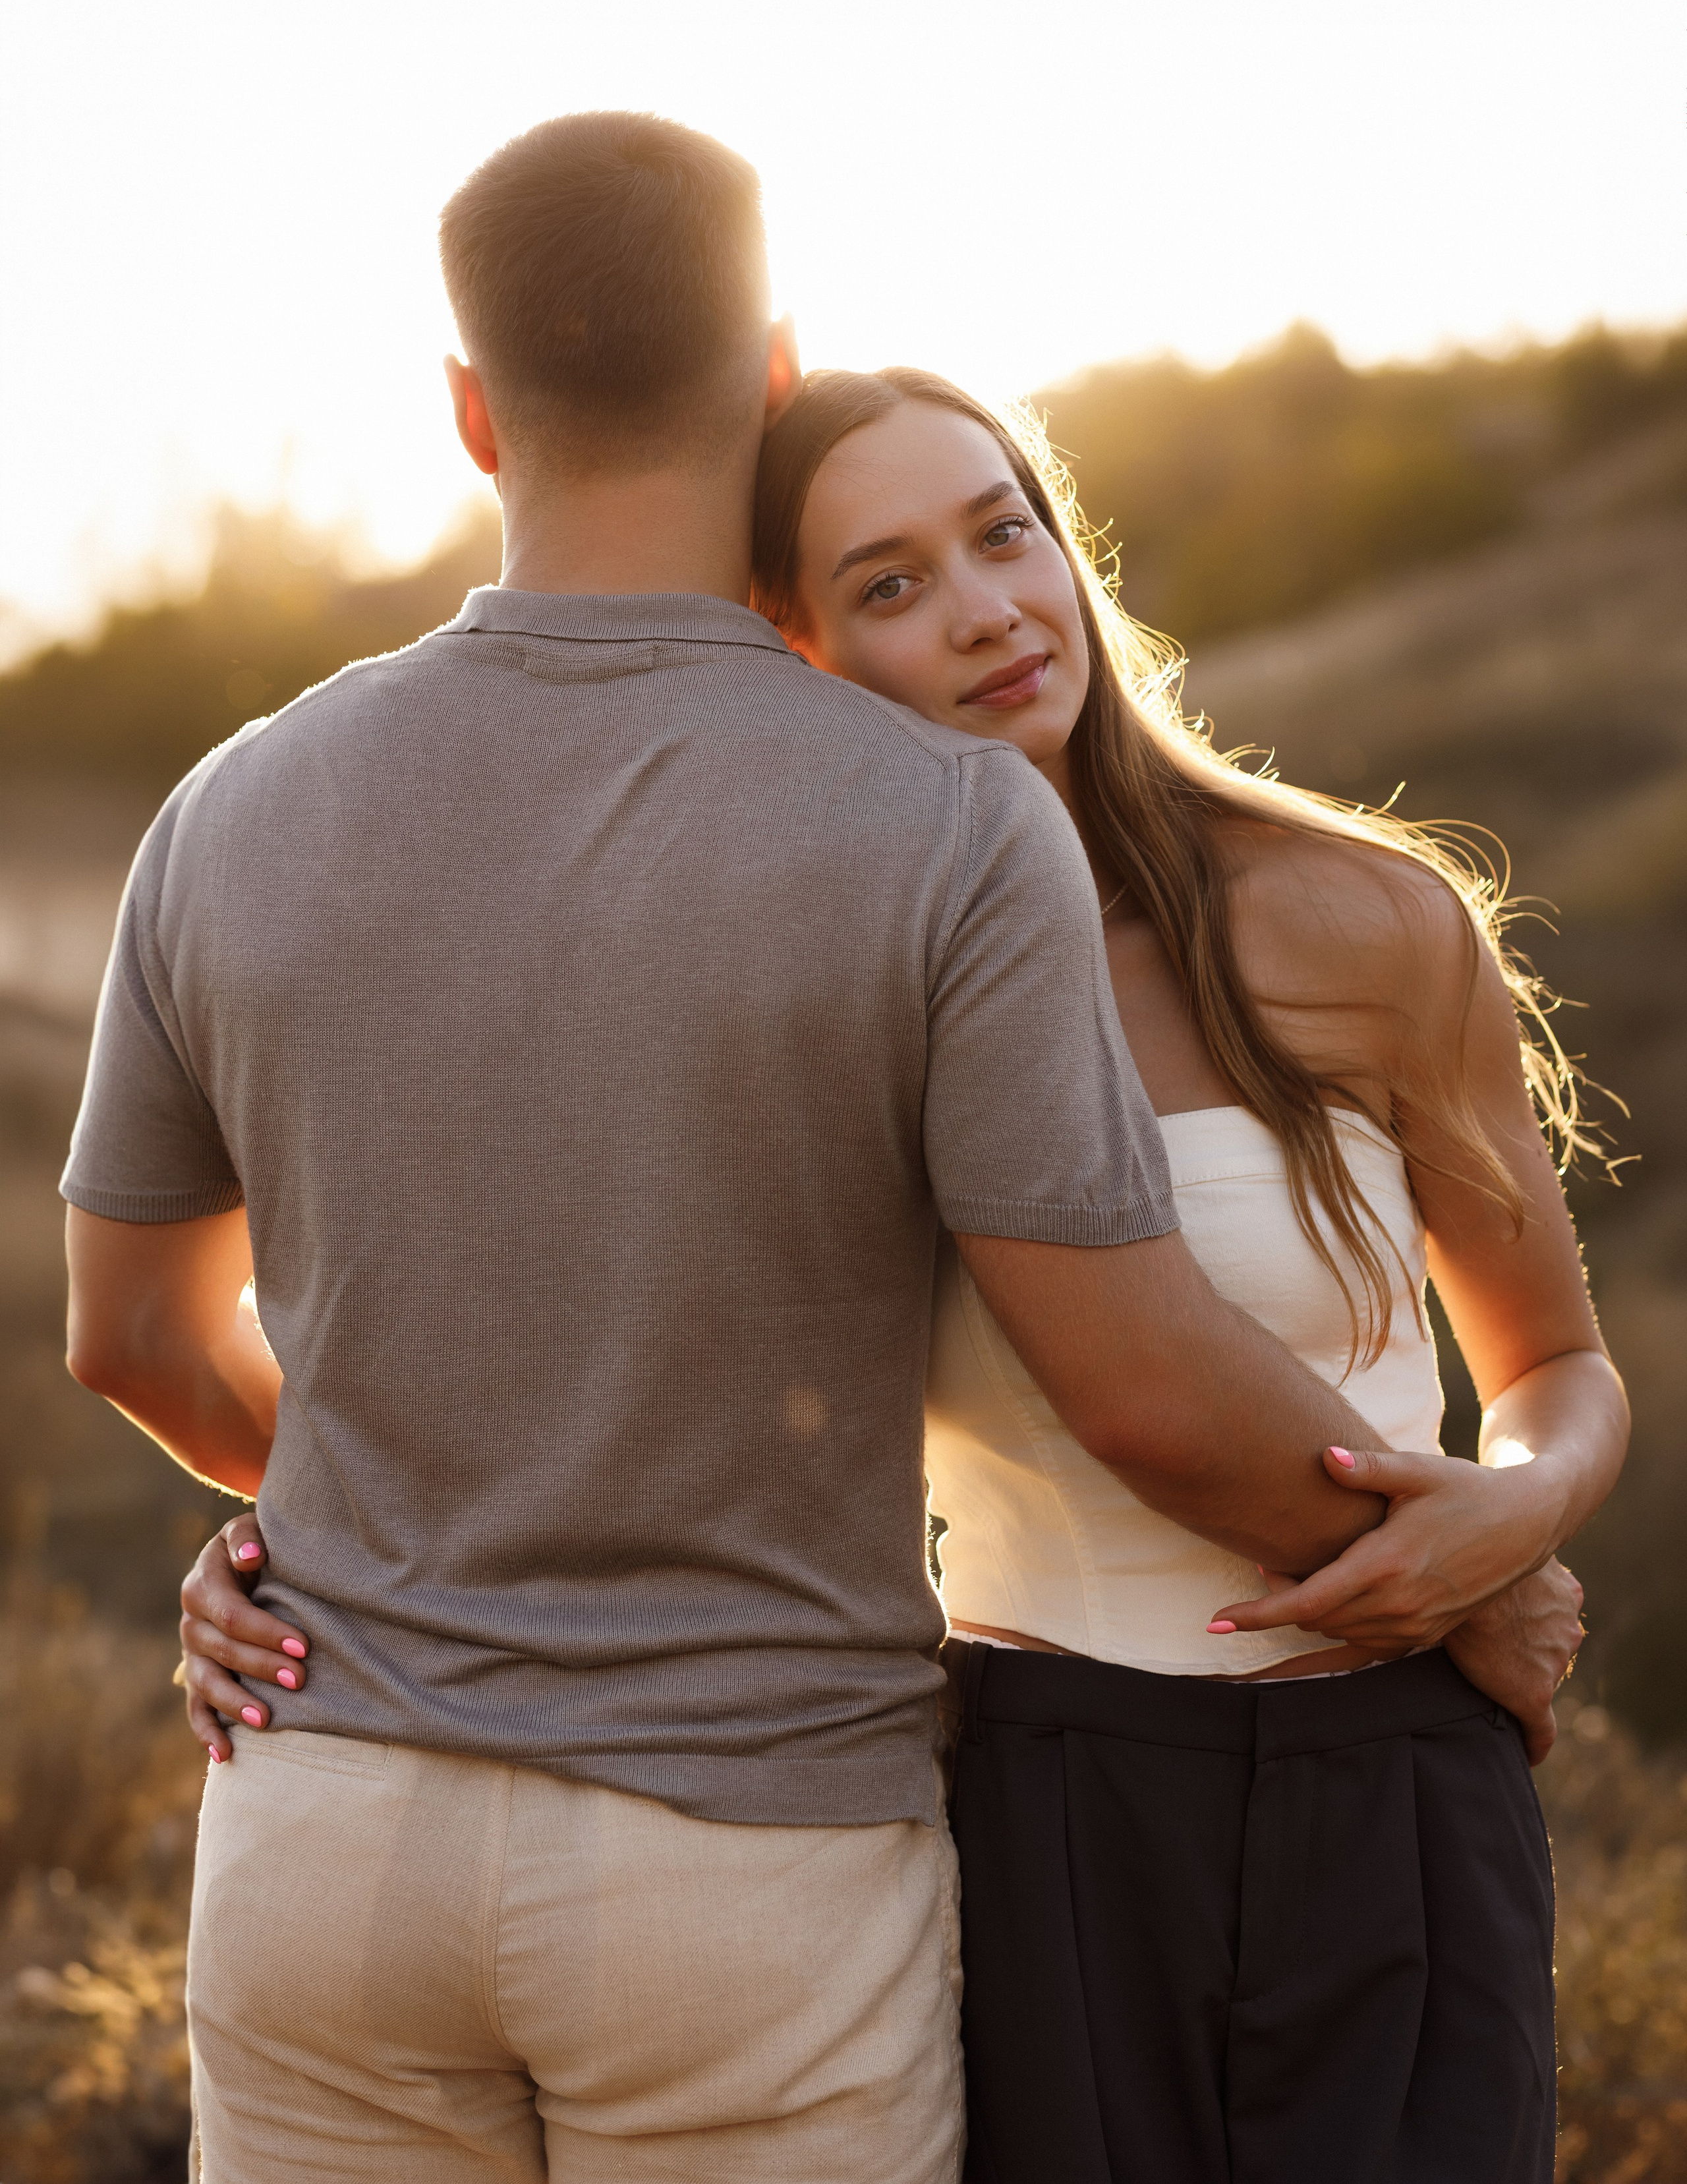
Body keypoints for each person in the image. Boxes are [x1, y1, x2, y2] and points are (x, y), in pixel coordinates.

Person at [65, 113, 1400, 2184]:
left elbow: (133, 1333)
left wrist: (367, 1516)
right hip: (746, 1856)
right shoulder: (946, 826)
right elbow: (1135, 1378)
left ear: (467, 412)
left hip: (324, 1829)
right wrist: (1468, 1578)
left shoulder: (233, 804)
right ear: (772, 369)